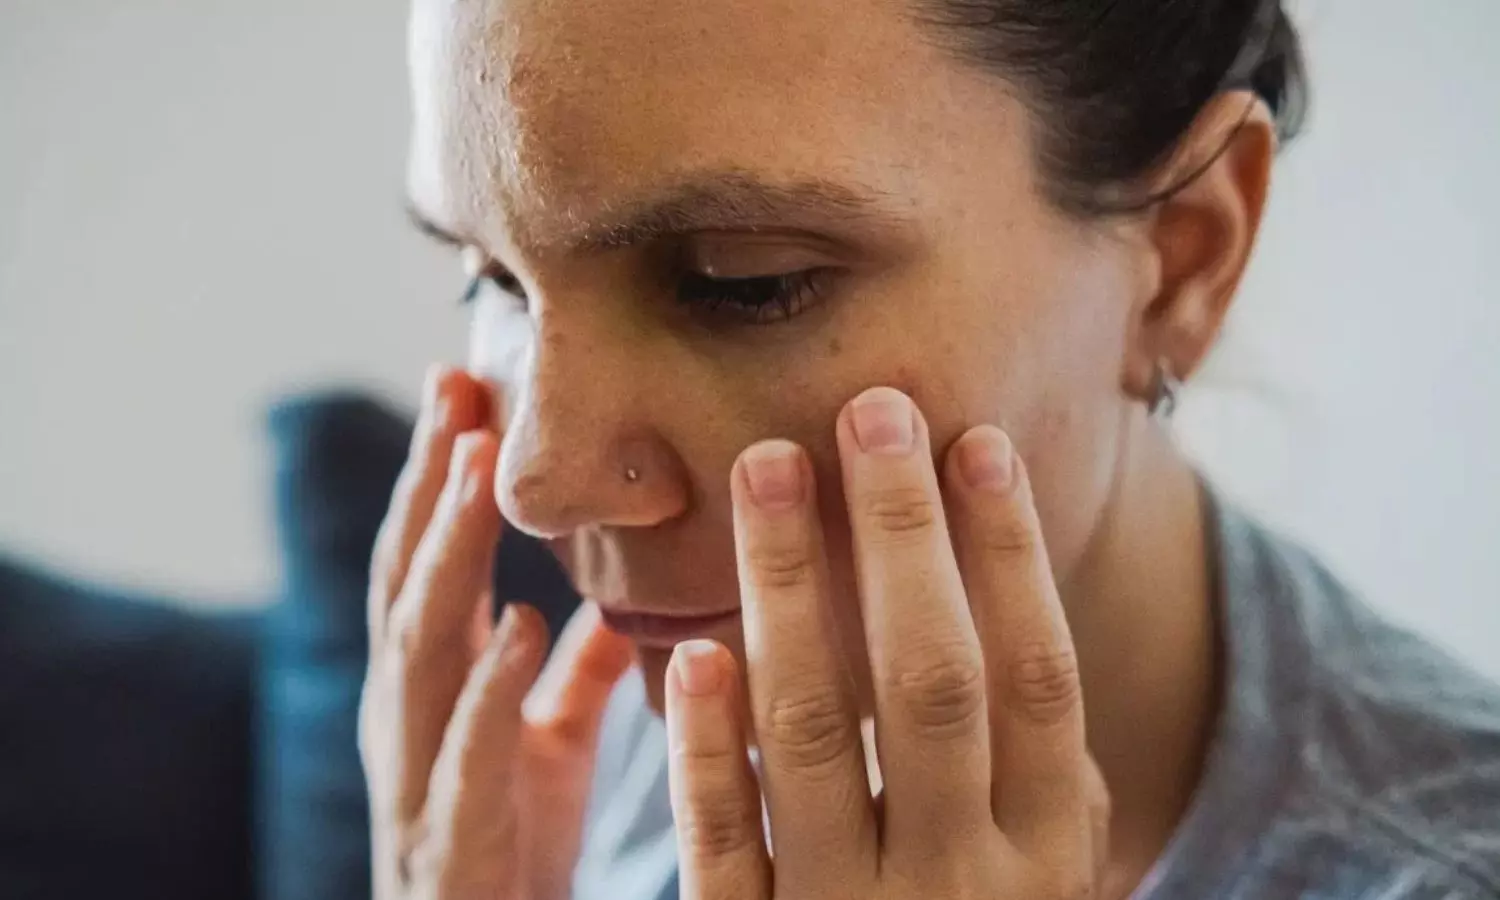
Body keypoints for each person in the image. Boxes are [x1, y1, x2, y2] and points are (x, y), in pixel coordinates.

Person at [358, 0, 1500, 897]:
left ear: (1183, 259)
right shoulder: (629, 745)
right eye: (491, 276)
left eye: (742, 283)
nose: (538, 484)